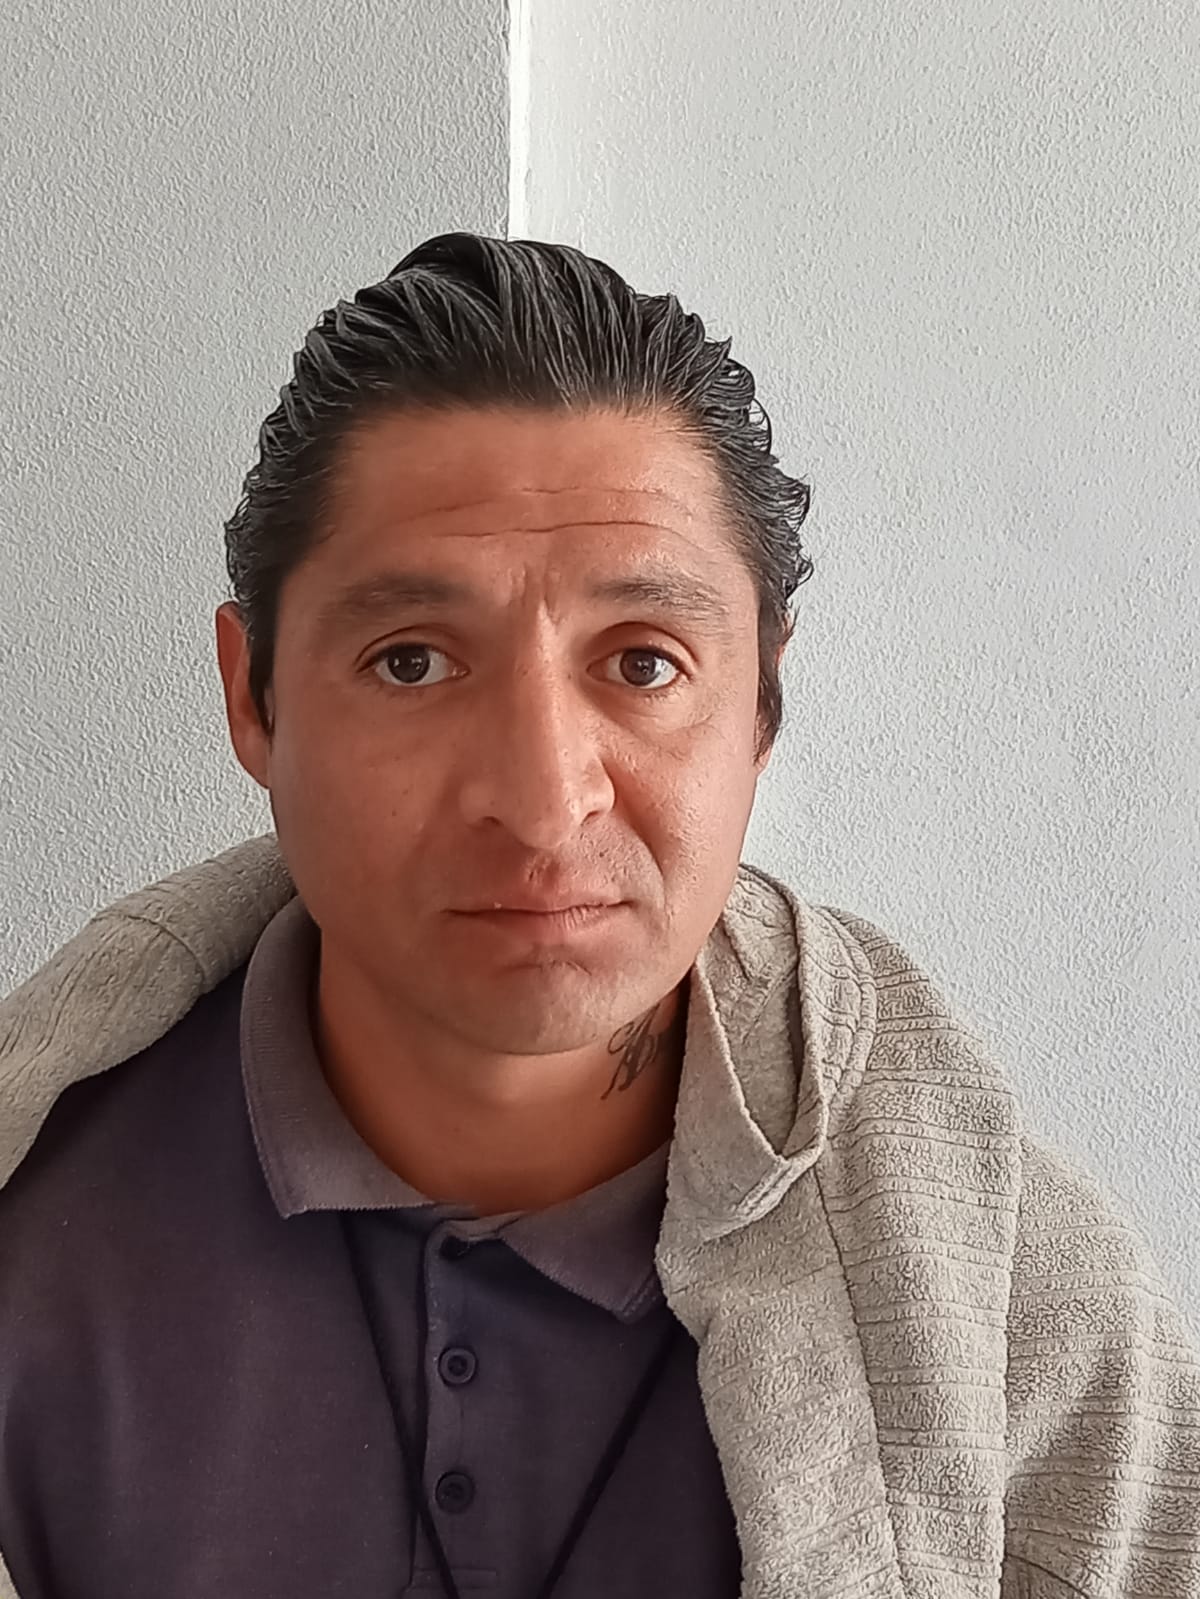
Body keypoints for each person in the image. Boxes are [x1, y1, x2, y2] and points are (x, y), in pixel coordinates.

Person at [0, 232, 1197, 1599]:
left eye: (643, 663)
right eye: (412, 661)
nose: (540, 801)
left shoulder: (998, 1298)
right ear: (252, 698)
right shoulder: (45, 1227)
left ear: (761, 708)